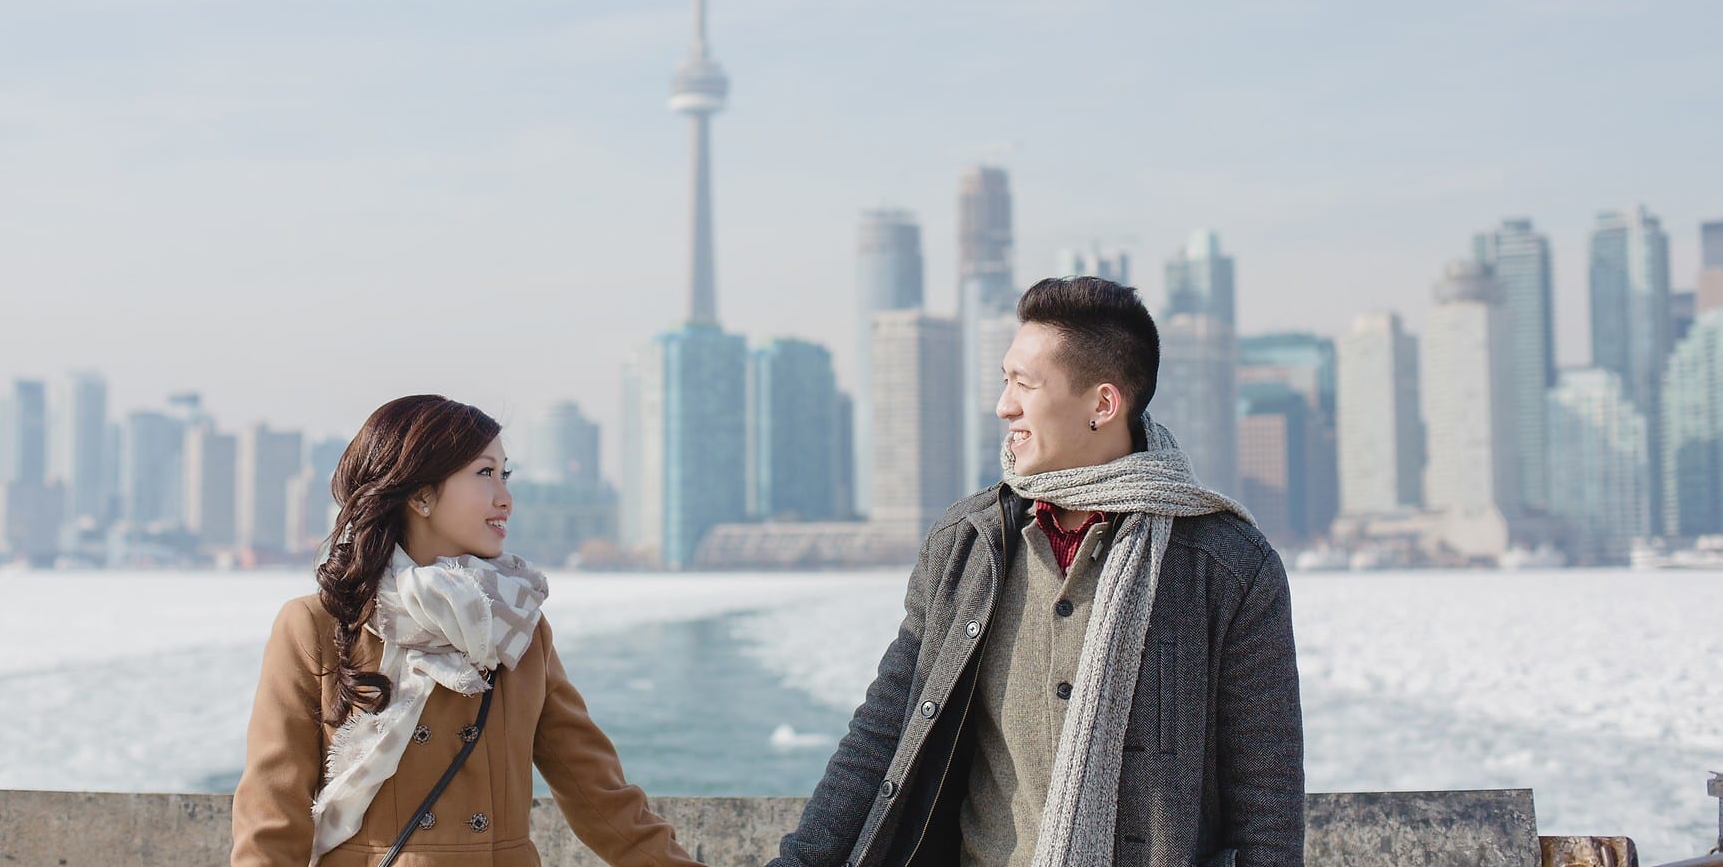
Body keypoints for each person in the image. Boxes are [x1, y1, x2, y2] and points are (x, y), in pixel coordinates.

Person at [770, 276, 1305, 867]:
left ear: (1102, 404)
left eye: (1024, 384)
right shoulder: (967, 545)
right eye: (1005, 381)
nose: (1004, 406)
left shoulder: (1226, 568)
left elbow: (1266, 804)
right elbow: (885, 732)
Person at [232, 394, 704, 867]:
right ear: (419, 493)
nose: (505, 497)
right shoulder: (319, 625)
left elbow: (598, 795)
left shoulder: (519, 627)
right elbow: (272, 817)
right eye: (484, 473)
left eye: (506, 475)